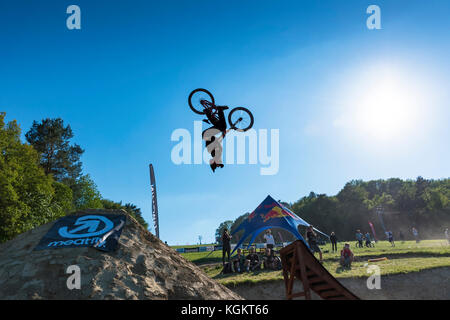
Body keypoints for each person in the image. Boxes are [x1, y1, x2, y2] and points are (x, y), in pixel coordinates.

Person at [202, 105, 229, 172]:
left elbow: (217, 142)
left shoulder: (215, 154)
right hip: (207, 134)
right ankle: (210, 112)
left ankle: (218, 110)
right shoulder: (214, 153)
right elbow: (217, 142)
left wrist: (223, 134)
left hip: (207, 134)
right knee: (220, 125)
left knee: (222, 127)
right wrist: (223, 135)